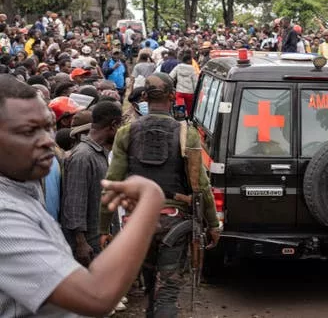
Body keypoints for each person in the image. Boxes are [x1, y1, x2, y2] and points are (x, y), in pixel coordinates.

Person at [0, 74, 165, 316]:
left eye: (49, 126)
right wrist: (150, 202)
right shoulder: (5, 218)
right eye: (28, 131)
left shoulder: (25, 185)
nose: (48, 140)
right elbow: (97, 295)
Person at [99, 73, 221, 317]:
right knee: (166, 292)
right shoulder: (187, 135)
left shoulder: (126, 132)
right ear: (173, 96)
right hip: (174, 223)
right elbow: (201, 186)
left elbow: (112, 183)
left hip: (137, 224)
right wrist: (213, 224)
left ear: (144, 96)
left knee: (150, 286)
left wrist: (103, 228)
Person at [61, 101, 122, 268]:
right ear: (113, 126)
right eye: (120, 126)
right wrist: (81, 243)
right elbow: (74, 205)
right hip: (90, 245)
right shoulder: (83, 156)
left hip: (101, 241)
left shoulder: (99, 153)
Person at [169, 51, 198, 117]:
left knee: (180, 108)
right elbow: (195, 81)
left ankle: (180, 118)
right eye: (191, 60)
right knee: (189, 109)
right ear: (188, 60)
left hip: (179, 92)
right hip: (190, 93)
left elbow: (170, 76)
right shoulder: (192, 69)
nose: (191, 61)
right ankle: (188, 120)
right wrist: (196, 93)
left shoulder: (178, 67)